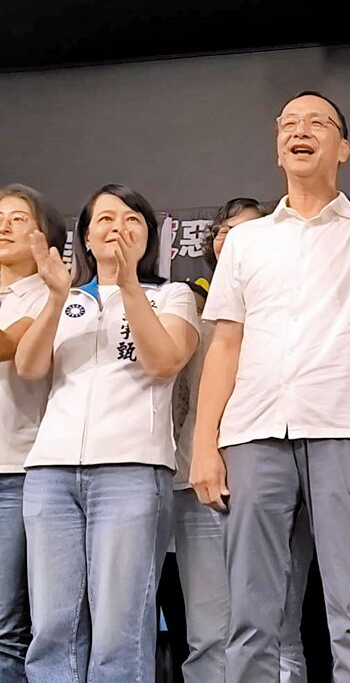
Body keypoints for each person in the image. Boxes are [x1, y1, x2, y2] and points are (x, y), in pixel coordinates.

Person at [189, 93, 350, 683]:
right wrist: (205, 445)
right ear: (277, 146)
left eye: (316, 124)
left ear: (343, 147)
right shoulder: (248, 241)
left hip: (347, 430)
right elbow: (225, 346)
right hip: (254, 433)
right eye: (288, 124)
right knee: (250, 615)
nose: (299, 132)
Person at [17, 184, 199, 682]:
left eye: (132, 219)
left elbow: (163, 362)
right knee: (52, 627)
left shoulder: (172, 295)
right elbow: (29, 367)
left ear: (149, 236)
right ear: (85, 236)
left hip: (131, 471)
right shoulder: (65, 297)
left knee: (121, 629)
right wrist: (56, 298)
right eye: (105, 219)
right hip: (51, 473)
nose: (118, 227)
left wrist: (129, 284)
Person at [172, 197, 313, 682]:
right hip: (200, 482)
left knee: (279, 631)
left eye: (248, 229)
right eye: (223, 230)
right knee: (207, 635)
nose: (233, 238)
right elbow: (180, 401)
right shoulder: (188, 309)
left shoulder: (293, 310)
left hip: (275, 476)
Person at [0, 185, 66, 683]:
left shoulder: (51, 295)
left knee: (7, 625)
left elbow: (9, 346)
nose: (3, 226)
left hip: (16, 472)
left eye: (18, 218)